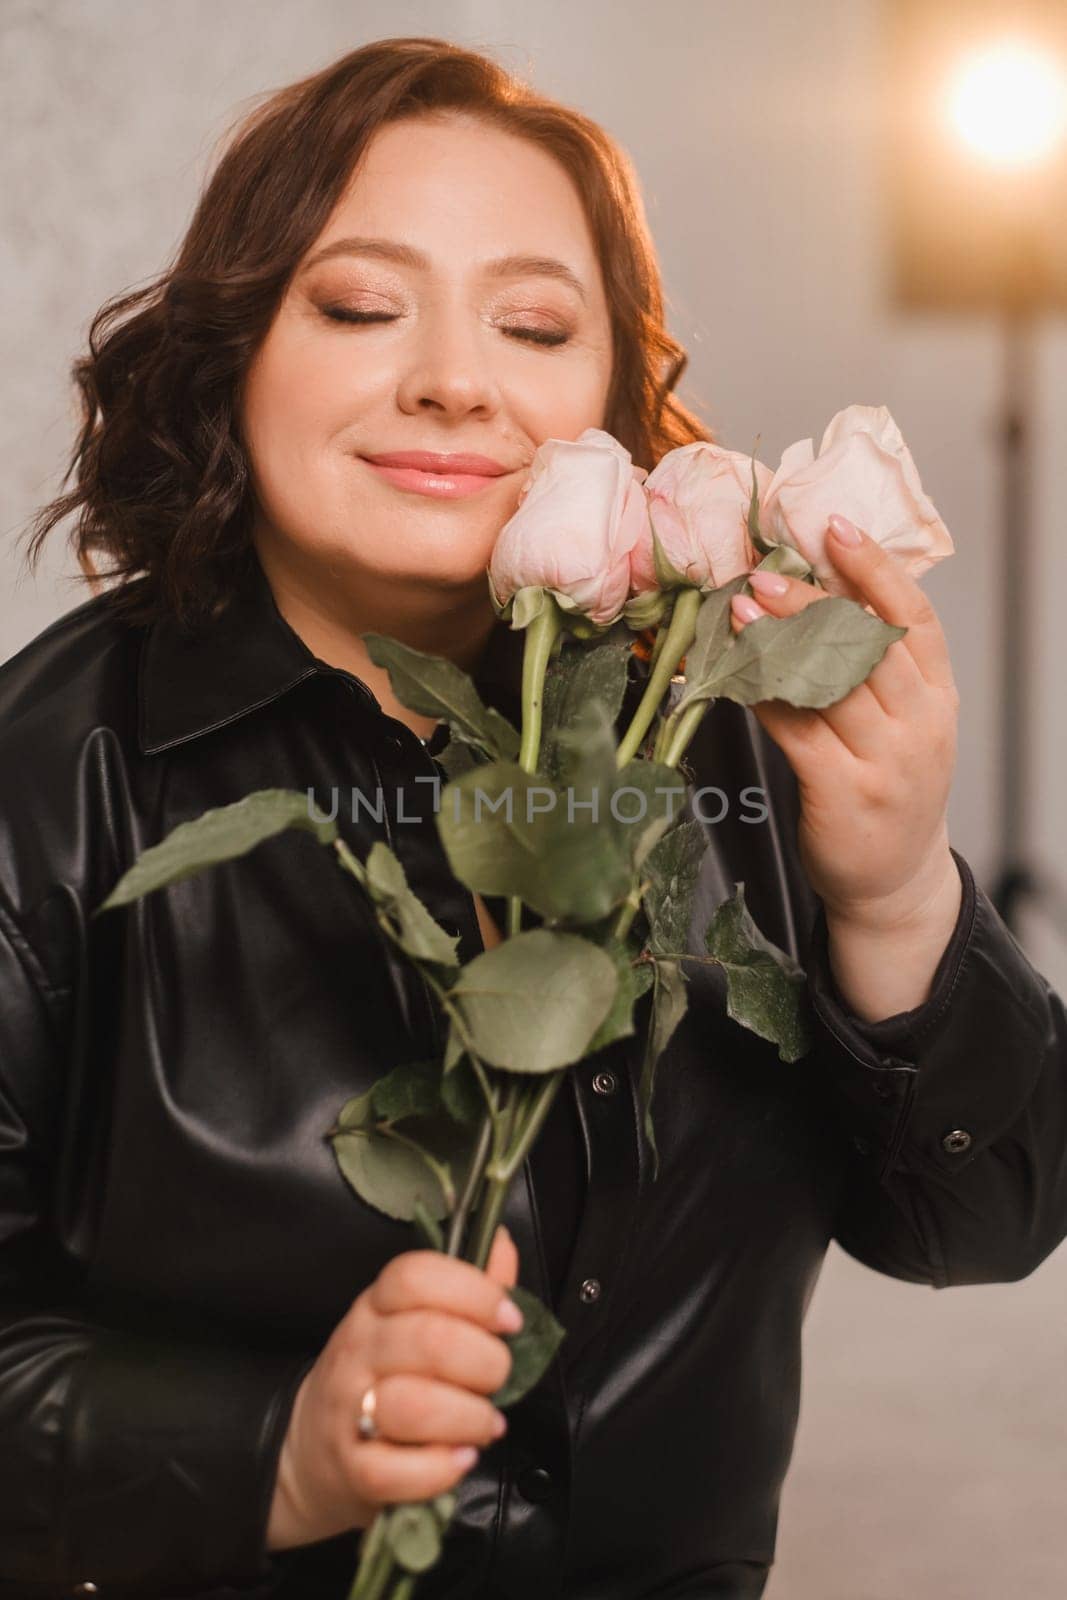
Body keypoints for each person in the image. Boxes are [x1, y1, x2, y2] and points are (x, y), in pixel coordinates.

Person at [3, 35, 1066, 1600]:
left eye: (533, 322)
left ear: (611, 391)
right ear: (237, 345)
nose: (452, 377)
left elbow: (982, 1229)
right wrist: (275, 1453)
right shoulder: (52, 772)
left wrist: (901, 898)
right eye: (360, 307)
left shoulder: (724, 731)